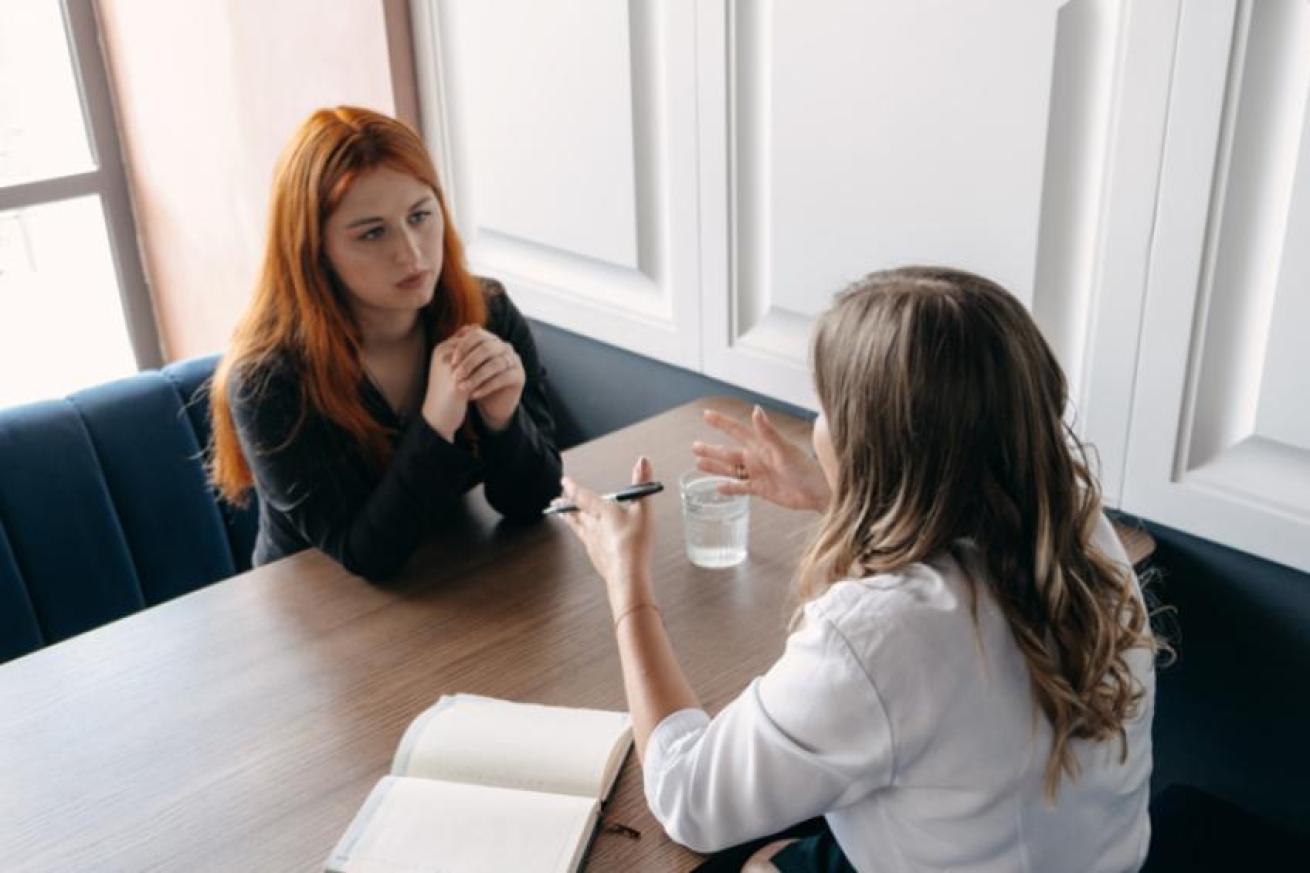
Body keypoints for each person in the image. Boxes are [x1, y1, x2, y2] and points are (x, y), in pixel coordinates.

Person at [557, 267, 1158, 872]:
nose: (816, 427)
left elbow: (689, 796)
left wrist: (625, 580)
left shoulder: (879, 633)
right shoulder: (1078, 525)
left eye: (824, 408)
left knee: (755, 861)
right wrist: (838, 493)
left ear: (875, 444)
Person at [209, 107, 561, 580]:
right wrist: (436, 422)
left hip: (448, 583)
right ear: (313, 251)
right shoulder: (267, 382)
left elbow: (529, 503)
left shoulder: (487, 311)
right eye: (372, 233)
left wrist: (503, 421)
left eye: (420, 216)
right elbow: (366, 555)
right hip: (312, 613)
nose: (412, 253)